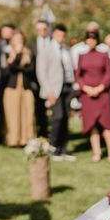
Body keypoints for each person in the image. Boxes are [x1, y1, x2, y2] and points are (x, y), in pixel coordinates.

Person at [37, 23, 77, 161]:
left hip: (68, 87)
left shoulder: (66, 49)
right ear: (53, 34)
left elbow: (70, 68)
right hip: (54, 89)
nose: (61, 38)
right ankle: (53, 147)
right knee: (57, 118)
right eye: (59, 35)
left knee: (65, 118)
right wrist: (49, 91)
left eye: (64, 35)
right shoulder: (46, 50)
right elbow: (41, 72)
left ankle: (63, 148)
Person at [75, 31, 110, 162]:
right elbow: (78, 75)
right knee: (92, 124)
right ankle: (97, 152)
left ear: (97, 40)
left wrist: (100, 88)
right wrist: (86, 88)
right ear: (86, 40)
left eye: (93, 39)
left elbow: (109, 74)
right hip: (87, 96)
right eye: (88, 39)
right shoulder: (82, 56)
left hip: (102, 94)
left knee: (106, 124)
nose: (91, 41)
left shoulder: (104, 55)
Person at [2, 30, 36, 147]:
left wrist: (18, 66)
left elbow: (31, 70)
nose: (19, 42)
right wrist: (17, 56)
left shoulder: (29, 53)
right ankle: (13, 139)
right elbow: (9, 71)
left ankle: (27, 139)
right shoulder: (7, 53)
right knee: (13, 114)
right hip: (12, 88)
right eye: (16, 40)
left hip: (26, 87)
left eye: (20, 40)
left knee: (28, 113)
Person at [31, 19, 50, 138]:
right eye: (39, 29)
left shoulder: (52, 43)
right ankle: (40, 133)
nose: (41, 31)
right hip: (36, 82)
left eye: (44, 29)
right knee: (39, 109)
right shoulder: (31, 44)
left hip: (52, 81)